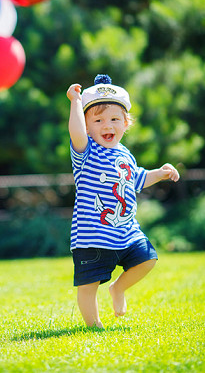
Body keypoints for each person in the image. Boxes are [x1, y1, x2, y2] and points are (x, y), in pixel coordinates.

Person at [65, 74, 180, 328]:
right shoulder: (86, 152)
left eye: (115, 119)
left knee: (148, 259)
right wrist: (75, 102)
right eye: (98, 120)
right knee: (88, 285)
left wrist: (159, 173)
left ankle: (118, 288)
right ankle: (94, 326)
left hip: (125, 231)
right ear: (86, 126)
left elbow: (138, 178)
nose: (108, 125)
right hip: (92, 235)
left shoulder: (125, 154)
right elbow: (75, 132)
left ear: (126, 123)